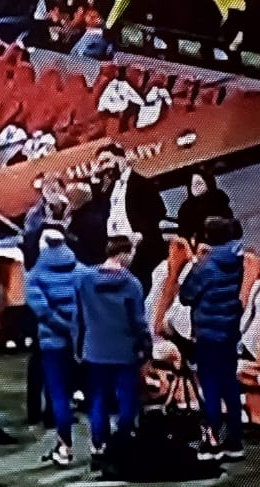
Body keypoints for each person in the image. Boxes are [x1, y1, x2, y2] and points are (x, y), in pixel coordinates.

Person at [178, 217, 248, 461]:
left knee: (210, 385)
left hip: (208, 334)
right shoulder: (236, 261)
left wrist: (196, 262)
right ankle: (235, 441)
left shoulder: (205, 267)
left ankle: (212, 440)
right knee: (229, 383)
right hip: (229, 330)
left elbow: (186, 295)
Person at [75, 236, 150, 466]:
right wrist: (145, 346)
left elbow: (78, 317)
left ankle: (99, 443)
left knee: (97, 398)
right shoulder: (132, 284)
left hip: (95, 349)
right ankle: (123, 440)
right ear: (124, 254)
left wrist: (79, 345)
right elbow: (138, 322)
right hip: (125, 351)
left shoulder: (85, 280)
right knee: (127, 397)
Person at [25, 227, 84, 467]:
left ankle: (64, 446)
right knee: (80, 391)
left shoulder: (36, 274)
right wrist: (75, 329)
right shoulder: (80, 270)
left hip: (51, 342)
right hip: (77, 341)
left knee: (57, 393)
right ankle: (99, 446)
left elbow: (41, 309)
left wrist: (60, 325)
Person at [92, 144, 166, 292]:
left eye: (107, 160)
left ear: (122, 159)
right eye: (100, 163)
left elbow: (158, 212)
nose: (105, 167)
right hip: (115, 251)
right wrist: (95, 180)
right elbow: (99, 212)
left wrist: (141, 235)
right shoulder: (109, 190)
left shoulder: (142, 184)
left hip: (139, 249)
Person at [175, 169, 233, 245]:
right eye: (193, 184)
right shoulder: (186, 208)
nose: (197, 186)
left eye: (199, 183)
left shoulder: (218, 198)